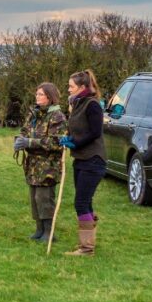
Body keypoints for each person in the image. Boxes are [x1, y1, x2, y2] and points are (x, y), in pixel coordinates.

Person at [60, 70, 106, 256]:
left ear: (82, 87)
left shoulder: (92, 105)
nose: (68, 89)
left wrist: (76, 143)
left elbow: (95, 132)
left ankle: (86, 248)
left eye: (71, 86)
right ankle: (89, 240)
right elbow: (78, 128)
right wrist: (68, 137)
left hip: (93, 160)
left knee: (81, 202)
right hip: (80, 159)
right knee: (85, 202)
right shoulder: (77, 104)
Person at [14, 82, 66, 242]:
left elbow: (56, 143)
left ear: (50, 97)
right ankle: (39, 229)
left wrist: (30, 143)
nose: (37, 97)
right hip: (32, 165)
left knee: (44, 199)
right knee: (34, 198)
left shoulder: (57, 117)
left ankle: (49, 232)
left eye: (41, 94)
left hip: (48, 166)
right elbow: (25, 130)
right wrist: (20, 140)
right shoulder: (34, 114)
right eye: (36, 94)